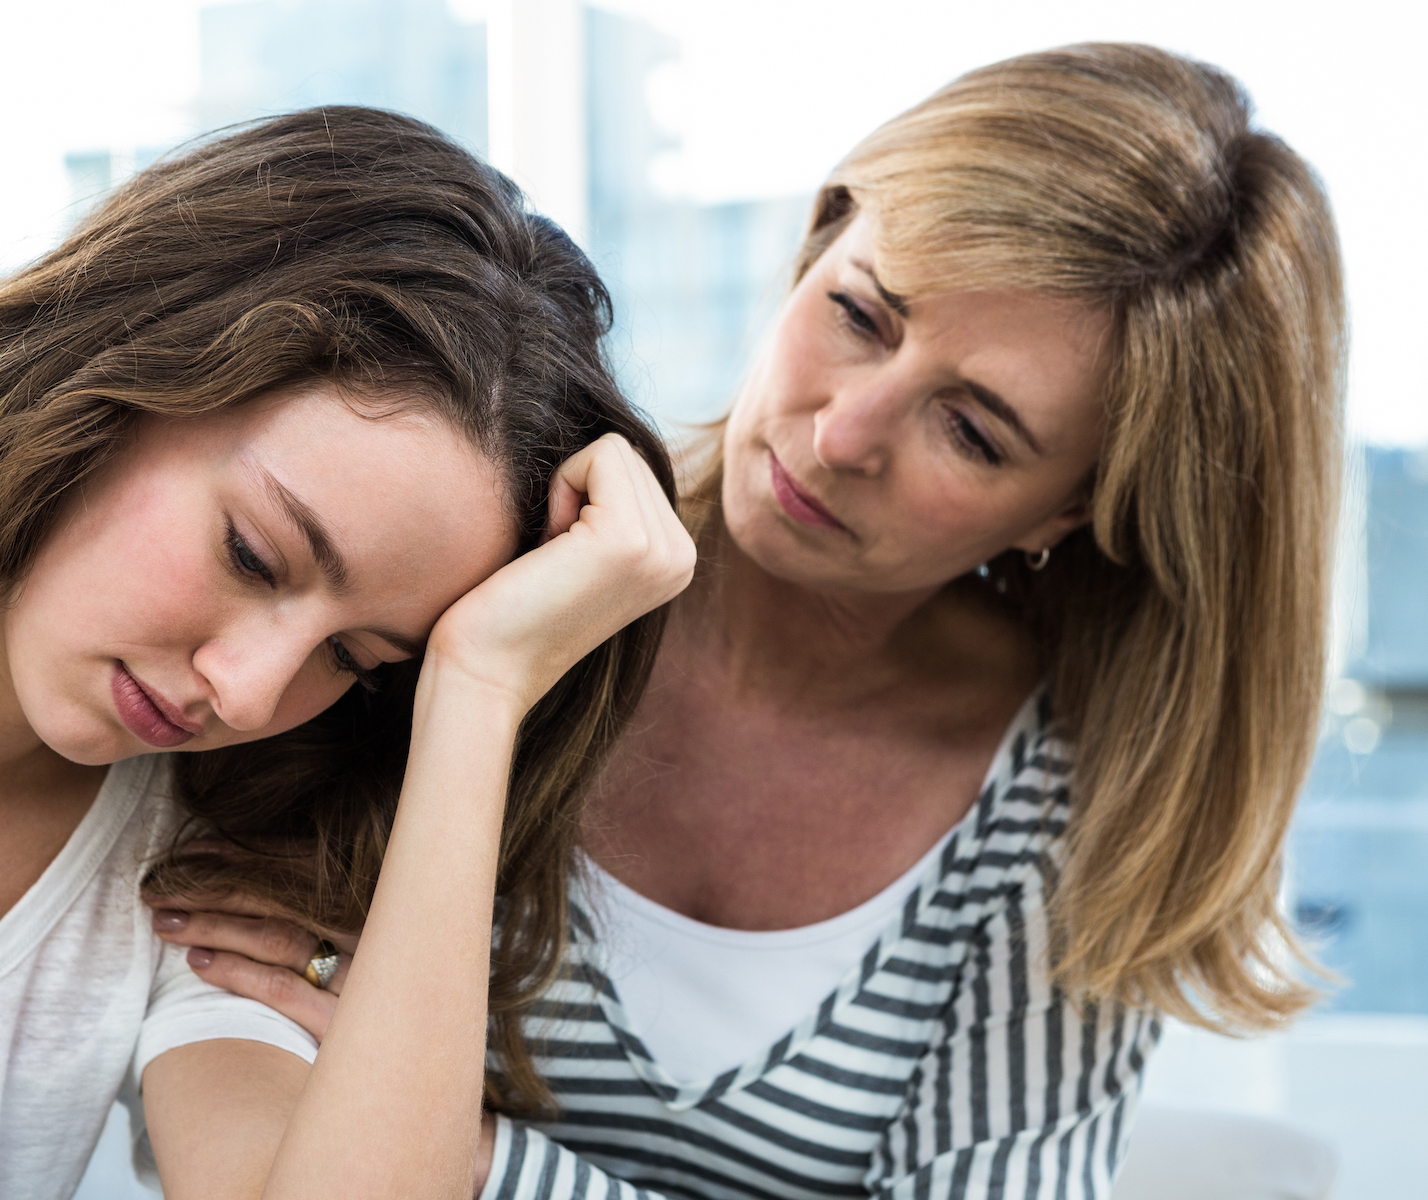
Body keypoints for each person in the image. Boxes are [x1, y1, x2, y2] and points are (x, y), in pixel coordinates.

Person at [154, 44, 1345, 1198]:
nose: (841, 434)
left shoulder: (1063, 813)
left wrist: (471, 1159)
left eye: (972, 431)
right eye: (863, 315)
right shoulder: (492, 568)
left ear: (1075, 507)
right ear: (819, 241)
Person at [0, 106, 694, 1200]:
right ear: (116, 368)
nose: (247, 688)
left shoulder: (191, 870)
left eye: (358, 660)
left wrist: (479, 687)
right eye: (252, 553)